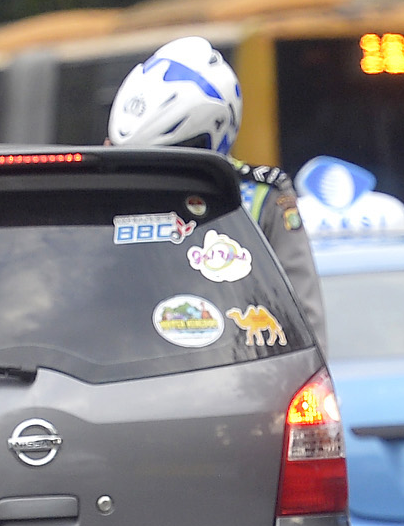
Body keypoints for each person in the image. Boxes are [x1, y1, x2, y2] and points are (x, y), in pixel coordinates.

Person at [105, 36, 328, 341]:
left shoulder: (261, 197)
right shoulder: (95, 190)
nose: (141, 177)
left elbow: (305, 323)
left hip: (231, 375)